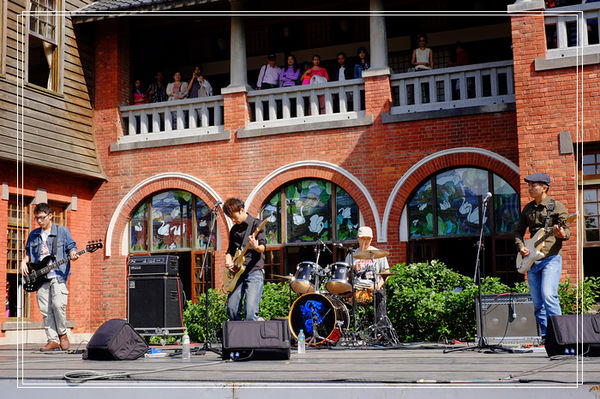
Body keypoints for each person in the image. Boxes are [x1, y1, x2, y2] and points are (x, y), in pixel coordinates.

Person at [515, 172, 570, 341]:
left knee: (549, 296)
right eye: (529, 185)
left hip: (550, 258)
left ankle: (560, 336)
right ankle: (546, 337)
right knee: (538, 302)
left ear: (544, 187)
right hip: (532, 260)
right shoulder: (528, 208)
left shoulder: (557, 207)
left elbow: (566, 232)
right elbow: (518, 231)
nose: (530, 188)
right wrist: (522, 246)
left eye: (533, 185)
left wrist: (561, 234)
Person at [21, 203, 79, 351]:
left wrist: (73, 253)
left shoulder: (62, 231)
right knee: (45, 310)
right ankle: (52, 340)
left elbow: (72, 246)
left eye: (42, 218)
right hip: (40, 277)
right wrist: (23, 261)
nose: (39, 221)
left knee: (58, 305)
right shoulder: (34, 234)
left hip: (58, 275)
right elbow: (28, 252)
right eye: (37, 218)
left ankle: (62, 334)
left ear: (50, 215)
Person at [223, 198, 266, 321]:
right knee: (232, 309)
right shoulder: (234, 230)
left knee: (250, 312)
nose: (233, 220)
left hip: (254, 271)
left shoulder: (257, 224)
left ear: (242, 210)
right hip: (238, 274)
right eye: (231, 218)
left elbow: (262, 247)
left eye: (234, 217)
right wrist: (228, 261)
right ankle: (238, 338)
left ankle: (253, 334)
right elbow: (229, 251)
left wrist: (255, 246)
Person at [344, 226, 389, 325]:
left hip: (374, 288)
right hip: (356, 289)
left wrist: (379, 285)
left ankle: (380, 331)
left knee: (380, 296)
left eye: (368, 238)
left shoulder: (378, 254)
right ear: (358, 238)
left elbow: (386, 272)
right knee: (342, 298)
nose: (365, 241)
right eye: (363, 238)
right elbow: (346, 277)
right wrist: (354, 269)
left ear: (372, 239)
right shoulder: (351, 256)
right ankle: (347, 329)